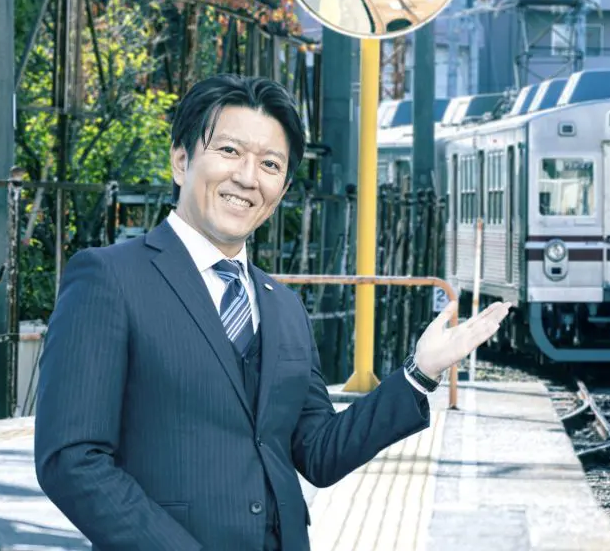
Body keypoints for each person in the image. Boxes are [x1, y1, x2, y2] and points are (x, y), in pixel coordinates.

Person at [33, 73, 511, 551]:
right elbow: (72, 460)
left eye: (270, 164)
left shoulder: (282, 304)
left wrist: (419, 373)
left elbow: (319, 451)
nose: (247, 177)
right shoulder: (109, 277)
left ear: (281, 188)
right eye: (229, 151)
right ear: (181, 161)